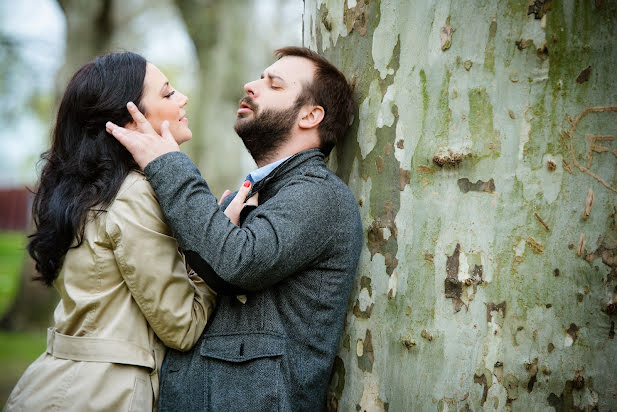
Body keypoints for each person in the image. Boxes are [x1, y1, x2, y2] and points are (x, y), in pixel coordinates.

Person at [106, 46, 363, 411]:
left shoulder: (319, 195)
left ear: (310, 115)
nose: (251, 85)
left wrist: (168, 164)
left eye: (273, 84)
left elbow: (236, 262)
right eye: (260, 77)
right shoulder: (262, 193)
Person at [4, 51, 252, 412]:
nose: (182, 98)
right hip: (99, 395)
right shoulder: (133, 194)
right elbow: (183, 327)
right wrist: (217, 244)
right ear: (129, 120)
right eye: (167, 94)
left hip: (62, 387)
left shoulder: (95, 191)